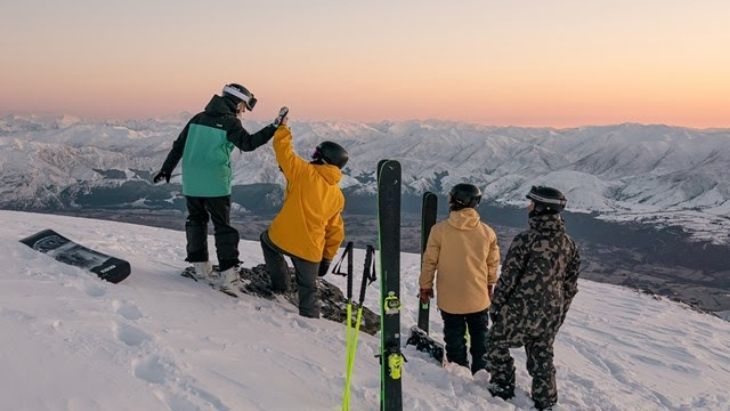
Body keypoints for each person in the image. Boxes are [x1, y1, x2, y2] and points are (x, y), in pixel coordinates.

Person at [153, 83, 281, 293]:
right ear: (237, 103)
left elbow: (179, 145)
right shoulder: (230, 122)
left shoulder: (198, 118)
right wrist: (274, 127)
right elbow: (248, 144)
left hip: (192, 180)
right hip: (215, 181)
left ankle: (201, 268)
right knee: (223, 226)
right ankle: (228, 276)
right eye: (243, 107)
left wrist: (166, 169)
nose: (243, 112)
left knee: (196, 221)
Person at [485, 185, 581, 411]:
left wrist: (496, 307)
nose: (529, 207)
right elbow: (570, 285)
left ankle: (503, 384)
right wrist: (560, 314)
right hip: (551, 311)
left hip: (521, 308)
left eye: (532, 203)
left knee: (495, 341)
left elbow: (508, 277)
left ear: (541, 208)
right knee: (541, 352)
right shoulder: (569, 244)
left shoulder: (526, 240)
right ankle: (546, 400)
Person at [259, 116, 347, 318]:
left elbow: (284, 151)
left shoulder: (303, 172)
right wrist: (326, 258)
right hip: (311, 250)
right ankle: (311, 323)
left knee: (266, 240)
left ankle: (280, 287)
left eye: (317, 153)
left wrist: (283, 128)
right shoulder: (337, 196)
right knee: (309, 289)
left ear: (324, 158)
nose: (313, 155)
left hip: (282, 238)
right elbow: (335, 230)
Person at [418, 183, 500, 374]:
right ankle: (482, 372)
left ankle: (459, 371)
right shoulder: (487, 232)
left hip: (450, 298)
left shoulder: (439, 231)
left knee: (454, 337)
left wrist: (425, 286)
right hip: (478, 297)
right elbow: (492, 264)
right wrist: (489, 285)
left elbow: (429, 262)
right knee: (481, 337)